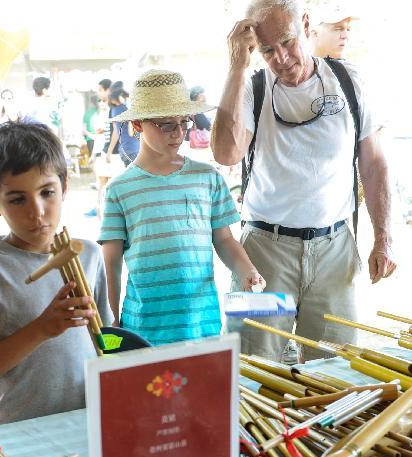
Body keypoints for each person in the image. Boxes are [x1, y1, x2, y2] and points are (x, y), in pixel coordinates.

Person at [212, 0, 396, 362]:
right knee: (252, 364)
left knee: (335, 366)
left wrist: (384, 237)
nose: (280, 58)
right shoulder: (251, 88)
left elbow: (374, 165)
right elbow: (226, 154)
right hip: (264, 251)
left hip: (334, 250)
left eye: (287, 41)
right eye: (266, 50)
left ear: (306, 25)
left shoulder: (349, 81)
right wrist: (236, 67)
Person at [0, 122, 113, 426]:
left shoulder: (89, 254)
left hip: (89, 420)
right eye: (17, 199)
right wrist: (43, 328)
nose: (37, 211)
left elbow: (107, 339)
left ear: (64, 187)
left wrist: (126, 353)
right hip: (19, 428)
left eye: (47, 192)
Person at [99, 69, 264, 346]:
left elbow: (223, 239)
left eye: (183, 122)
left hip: (202, 325)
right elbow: (111, 262)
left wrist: (248, 270)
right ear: (138, 124)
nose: (178, 133)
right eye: (166, 125)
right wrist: (111, 319)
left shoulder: (207, 177)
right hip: (143, 329)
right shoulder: (119, 189)